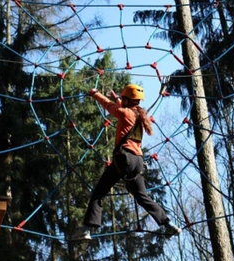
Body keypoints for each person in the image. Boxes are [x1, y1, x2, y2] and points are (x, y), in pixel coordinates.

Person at [71, 84, 182, 240]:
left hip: (124, 159)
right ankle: (168, 224)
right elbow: (121, 108)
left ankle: (86, 230)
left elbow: (109, 106)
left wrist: (95, 93)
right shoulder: (139, 116)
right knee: (143, 197)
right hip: (137, 162)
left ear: (127, 99)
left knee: (98, 193)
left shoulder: (125, 113)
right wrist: (117, 98)